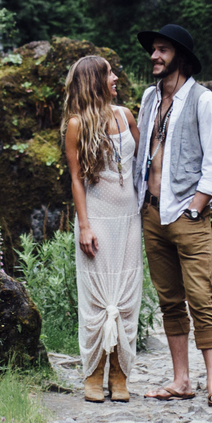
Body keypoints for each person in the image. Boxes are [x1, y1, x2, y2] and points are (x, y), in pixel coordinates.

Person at [133, 23, 212, 407]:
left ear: (181, 57)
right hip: (152, 214)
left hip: (187, 216)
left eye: (162, 50)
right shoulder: (148, 99)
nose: (154, 56)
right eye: (153, 50)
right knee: (169, 300)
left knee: (199, 297)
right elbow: (142, 154)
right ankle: (181, 380)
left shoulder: (204, 101)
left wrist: (196, 207)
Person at [62, 53, 140, 403]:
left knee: (127, 298)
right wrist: (84, 226)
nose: (115, 77)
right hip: (98, 218)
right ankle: (93, 374)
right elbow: (76, 180)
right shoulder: (77, 125)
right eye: (108, 73)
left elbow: (145, 162)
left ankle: (120, 375)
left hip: (130, 219)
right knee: (96, 299)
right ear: (94, 80)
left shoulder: (126, 115)